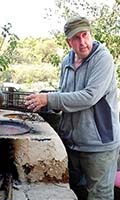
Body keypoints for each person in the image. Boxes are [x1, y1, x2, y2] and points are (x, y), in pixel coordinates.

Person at [25, 16, 120, 200]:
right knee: (74, 192)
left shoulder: (103, 59)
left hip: (99, 146)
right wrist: (45, 101)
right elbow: (65, 93)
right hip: (72, 144)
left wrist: (50, 99)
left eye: (85, 35)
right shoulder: (66, 62)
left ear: (91, 34)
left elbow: (89, 96)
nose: (82, 42)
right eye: (76, 38)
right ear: (69, 42)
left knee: (99, 196)